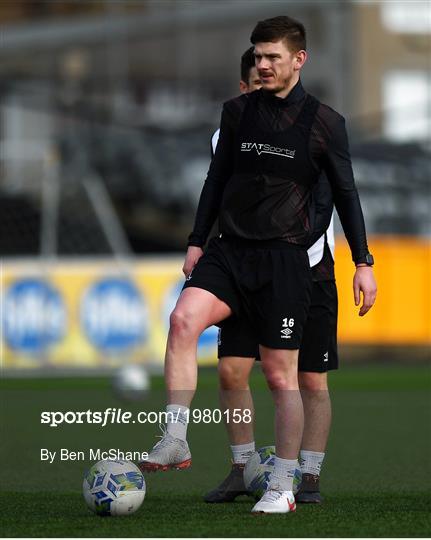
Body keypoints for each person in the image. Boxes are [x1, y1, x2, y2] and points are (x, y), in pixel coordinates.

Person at [140, 16, 377, 515]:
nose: (262, 64)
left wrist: (362, 261)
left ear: (299, 59)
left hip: (289, 259)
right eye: (257, 55)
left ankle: (286, 484)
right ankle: (177, 438)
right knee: (183, 320)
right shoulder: (236, 113)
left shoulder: (326, 123)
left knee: (282, 376)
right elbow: (215, 180)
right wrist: (196, 241)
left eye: (272, 56)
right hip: (230, 253)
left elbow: (347, 194)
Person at [204, 47, 337, 506]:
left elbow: (322, 202)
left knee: (308, 379)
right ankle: (242, 469)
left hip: (306, 267)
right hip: (246, 268)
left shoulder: (309, 130)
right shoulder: (227, 137)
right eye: (256, 85)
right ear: (243, 91)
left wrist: (288, 251)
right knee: (230, 371)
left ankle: (309, 475)